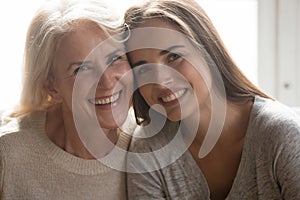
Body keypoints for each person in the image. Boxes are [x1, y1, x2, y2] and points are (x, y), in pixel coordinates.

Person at [124, 0, 300, 199]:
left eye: (173, 57)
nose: (160, 81)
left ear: (207, 50)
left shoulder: (281, 134)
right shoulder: (149, 150)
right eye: (144, 69)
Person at [0, 0, 135, 199]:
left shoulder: (147, 145)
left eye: (115, 58)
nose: (107, 82)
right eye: (82, 69)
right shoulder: (8, 153)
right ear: (51, 87)